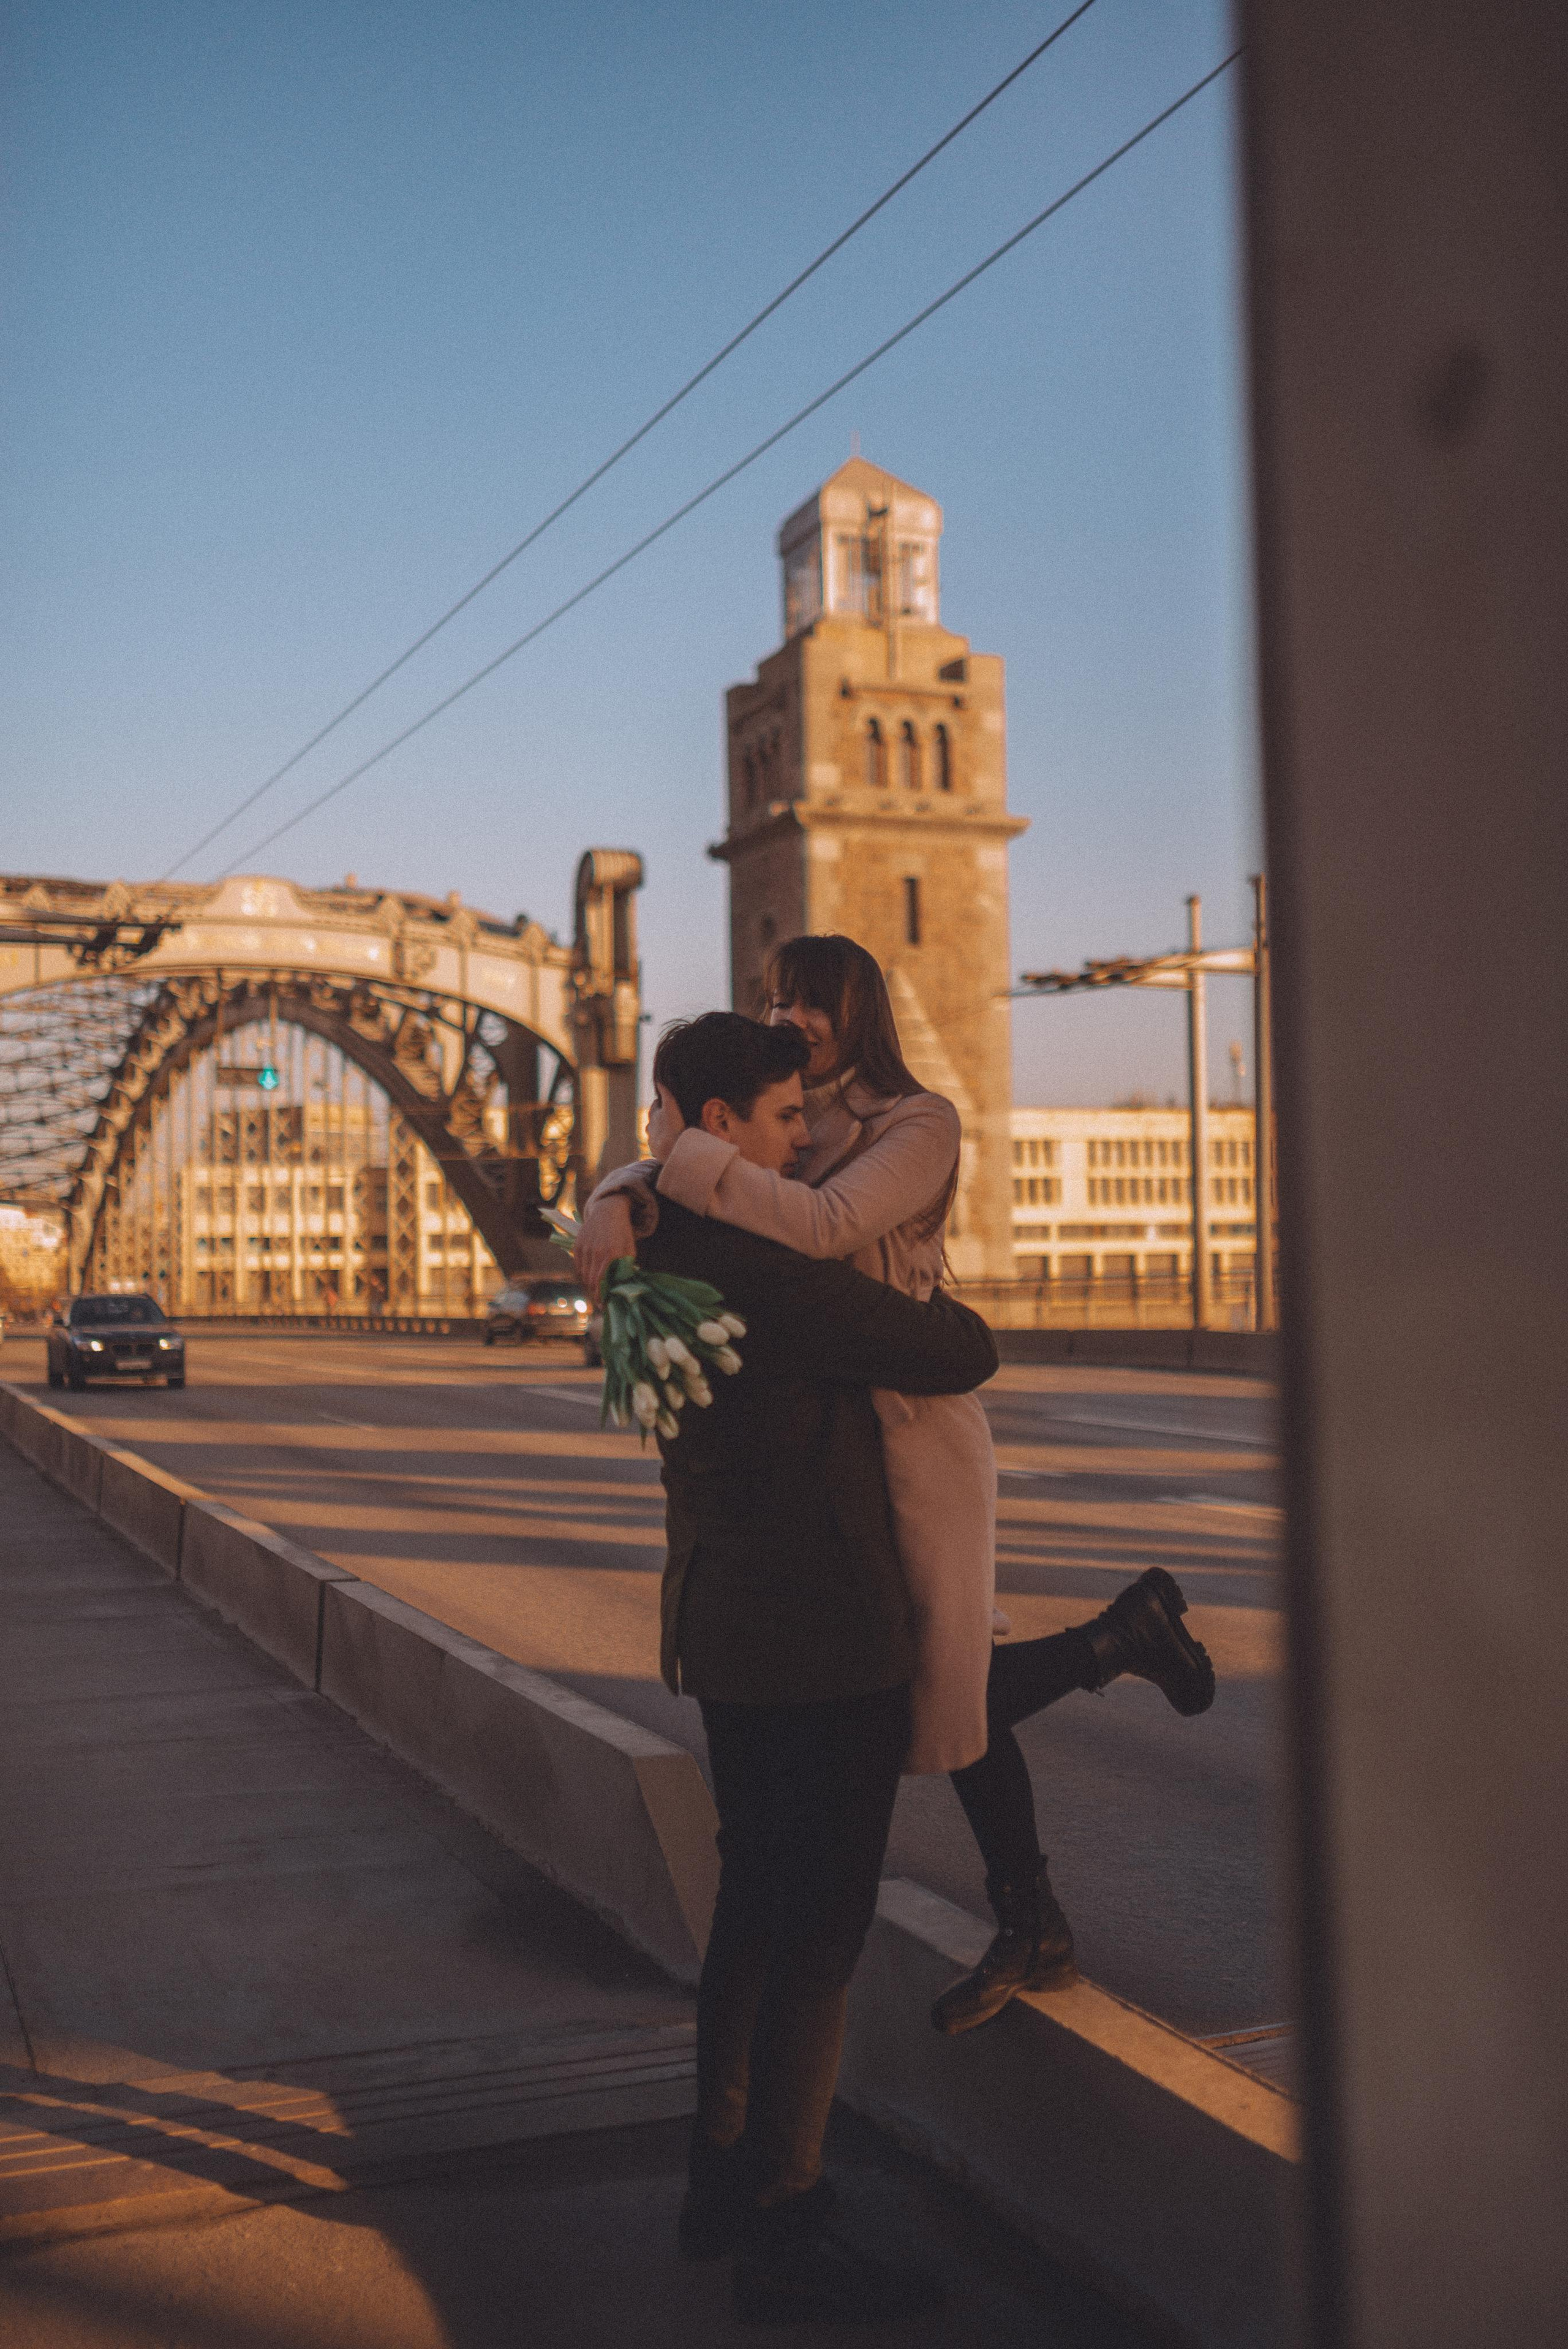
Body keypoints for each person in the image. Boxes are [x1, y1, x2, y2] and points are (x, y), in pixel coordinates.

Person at [578, 936, 1215, 2038]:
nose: (789, 1018)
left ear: (859, 1010)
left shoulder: (918, 1124)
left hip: (914, 1426)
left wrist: (664, 1169)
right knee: (932, 1686)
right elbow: (697, 1148)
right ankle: (1045, 1880)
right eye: (776, 999)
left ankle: (1110, 1662)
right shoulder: (786, 1118)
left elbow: (819, 1225)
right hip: (835, 1428)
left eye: (810, 1002)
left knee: (935, 1686)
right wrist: (613, 1190)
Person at [636, 1012, 997, 2325]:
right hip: (827, 1644)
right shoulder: (772, 1275)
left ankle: (715, 2184)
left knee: (749, 1912)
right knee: (819, 1938)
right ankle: (782, 2219)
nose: (802, 1145)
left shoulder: (649, 1249)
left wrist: (640, 1181)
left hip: (726, 1634)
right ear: (719, 1125)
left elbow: (637, 1189)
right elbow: (961, 1350)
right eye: (786, 1119)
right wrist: (900, 1260)